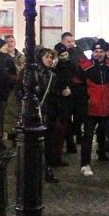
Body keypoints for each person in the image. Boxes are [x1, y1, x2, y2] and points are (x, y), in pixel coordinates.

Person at [77, 39, 109, 177]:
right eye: (96, 51)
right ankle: (85, 164)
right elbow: (78, 86)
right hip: (90, 109)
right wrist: (85, 101)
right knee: (87, 138)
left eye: (101, 51)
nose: (99, 54)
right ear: (92, 52)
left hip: (108, 108)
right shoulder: (84, 67)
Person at [36, 48, 71, 182]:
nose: (50, 60)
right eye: (47, 57)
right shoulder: (31, 72)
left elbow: (53, 93)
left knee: (48, 141)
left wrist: (61, 92)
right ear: (40, 58)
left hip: (48, 112)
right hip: (35, 113)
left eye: (51, 57)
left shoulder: (52, 75)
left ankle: (47, 168)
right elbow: (20, 92)